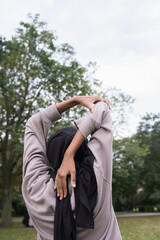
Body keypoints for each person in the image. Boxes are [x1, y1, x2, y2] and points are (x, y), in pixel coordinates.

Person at [22, 96, 122, 240]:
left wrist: (73, 100)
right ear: (84, 150)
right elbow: (102, 108)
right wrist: (71, 152)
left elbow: (33, 123)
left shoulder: (34, 188)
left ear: (50, 155)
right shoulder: (97, 177)